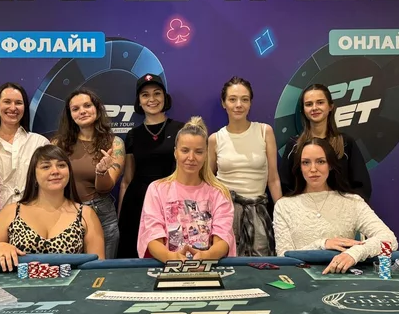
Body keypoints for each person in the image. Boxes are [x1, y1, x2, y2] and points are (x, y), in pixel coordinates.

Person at [273, 138, 397, 274]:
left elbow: (389, 239)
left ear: (330, 164)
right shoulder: (283, 206)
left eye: (321, 161)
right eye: (306, 162)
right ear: (300, 167)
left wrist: (354, 253)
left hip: (343, 278)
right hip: (300, 280)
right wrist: (322, 244)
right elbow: (283, 257)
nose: (313, 169)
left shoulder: (352, 202)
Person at [0, 145, 105, 270]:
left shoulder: (86, 214)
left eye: (61, 165)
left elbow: (98, 267)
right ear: (34, 176)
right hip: (18, 285)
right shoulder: (11, 212)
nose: (55, 171)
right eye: (46, 166)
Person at [138, 117, 236, 262]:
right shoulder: (157, 189)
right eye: (185, 150)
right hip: (167, 268)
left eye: (198, 152)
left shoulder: (219, 193)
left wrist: (206, 256)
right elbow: (152, 236)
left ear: (206, 155)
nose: (191, 157)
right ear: (175, 152)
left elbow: (223, 239)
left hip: (207, 269)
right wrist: (171, 257)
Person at [209, 77, 282, 257]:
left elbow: (273, 179)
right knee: (226, 262)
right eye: (232, 99)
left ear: (250, 103)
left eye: (244, 99)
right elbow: (208, 183)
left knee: (261, 263)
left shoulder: (264, 131)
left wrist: (283, 213)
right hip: (225, 214)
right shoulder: (215, 139)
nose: (238, 105)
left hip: (258, 213)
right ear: (224, 103)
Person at [117, 74, 184, 258]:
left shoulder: (181, 130)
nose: (152, 99)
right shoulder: (133, 135)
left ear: (165, 97)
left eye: (157, 93)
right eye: (145, 95)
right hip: (138, 203)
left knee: (172, 254)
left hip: (171, 201)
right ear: (139, 101)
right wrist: (121, 216)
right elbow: (127, 180)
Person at [53, 88, 124, 259]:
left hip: (101, 214)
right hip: (66, 212)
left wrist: (101, 171)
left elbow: (106, 188)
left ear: (97, 109)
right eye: (75, 109)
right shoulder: (58, 144)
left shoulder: (115, 144)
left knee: (102, 270)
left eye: (87, 105)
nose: (82, 111)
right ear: (70, 115)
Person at [279, 84, 372, 201]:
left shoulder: (346, 143)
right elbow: (285, 187)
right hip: (304, 210)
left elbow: (362, 187)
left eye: (320, 102)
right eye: (309, 104)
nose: (314, 108)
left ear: (330, 106)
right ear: (303, 110)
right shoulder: (294, 146)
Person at [0, 83, 49, 214]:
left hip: (34, 217)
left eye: (18, 103)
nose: (13, 108)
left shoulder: (40, 143)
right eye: (7, 102)